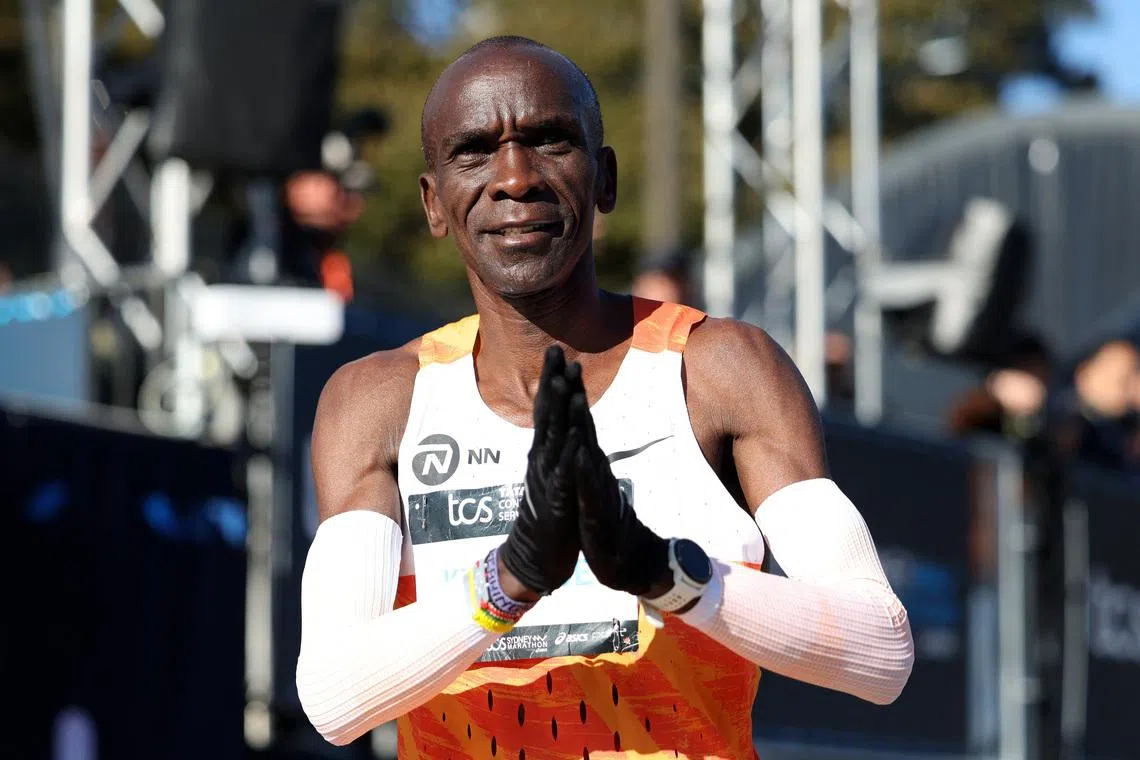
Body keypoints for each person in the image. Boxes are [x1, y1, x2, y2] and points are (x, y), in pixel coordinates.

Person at [297, 36, 913, 759]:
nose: (516, 177)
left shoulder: (718, 369)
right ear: (434, 204)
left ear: (604, 179)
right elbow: (333, 698)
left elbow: (882, 653)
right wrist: (511, 579)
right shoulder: (378, 401)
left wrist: (666, 573)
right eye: (474, 151)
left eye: (549, 141)